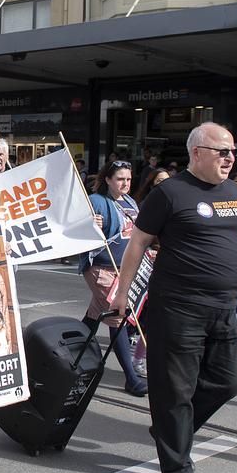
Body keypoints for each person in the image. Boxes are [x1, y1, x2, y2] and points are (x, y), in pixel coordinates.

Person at [111, 122, 237, 473]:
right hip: (177, 308)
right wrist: (121, 293)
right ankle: (178, 470)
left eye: (232, 151)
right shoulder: (169, 194)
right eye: (221, 151)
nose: (229, 158)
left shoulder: (231, 191)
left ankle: (170, 429)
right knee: (175, 392)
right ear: (197, 153)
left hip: (223, 308)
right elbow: (137, 243)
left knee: (228, 382)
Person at [85, 159, 148, 396]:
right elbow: (77, 227)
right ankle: (130, 378)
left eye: (128, 179)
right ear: (108, 180)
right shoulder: (97, 201)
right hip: (103, 267)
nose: (125, 183)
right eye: (120, 179)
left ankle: (72, 348)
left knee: (95, 316)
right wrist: (91, 225)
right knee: (117, 316)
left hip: (127, 270)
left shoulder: (130, 201)